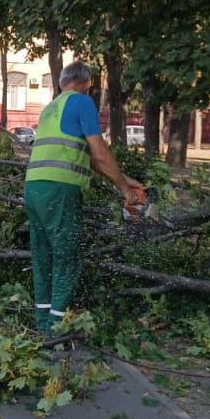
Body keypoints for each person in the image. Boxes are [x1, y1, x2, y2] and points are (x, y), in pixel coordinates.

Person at [24, 60, 144, 334]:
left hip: (34, 188)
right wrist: (125, 192)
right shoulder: (82, 103)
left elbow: (86, 159)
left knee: (42, 254)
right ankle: (56, 328)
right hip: (60, 190)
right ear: (86, 83)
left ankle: (42, 323)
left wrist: (123, 179)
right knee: (68, 255)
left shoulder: (50, 108)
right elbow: (99, 153)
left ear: (62, 82)